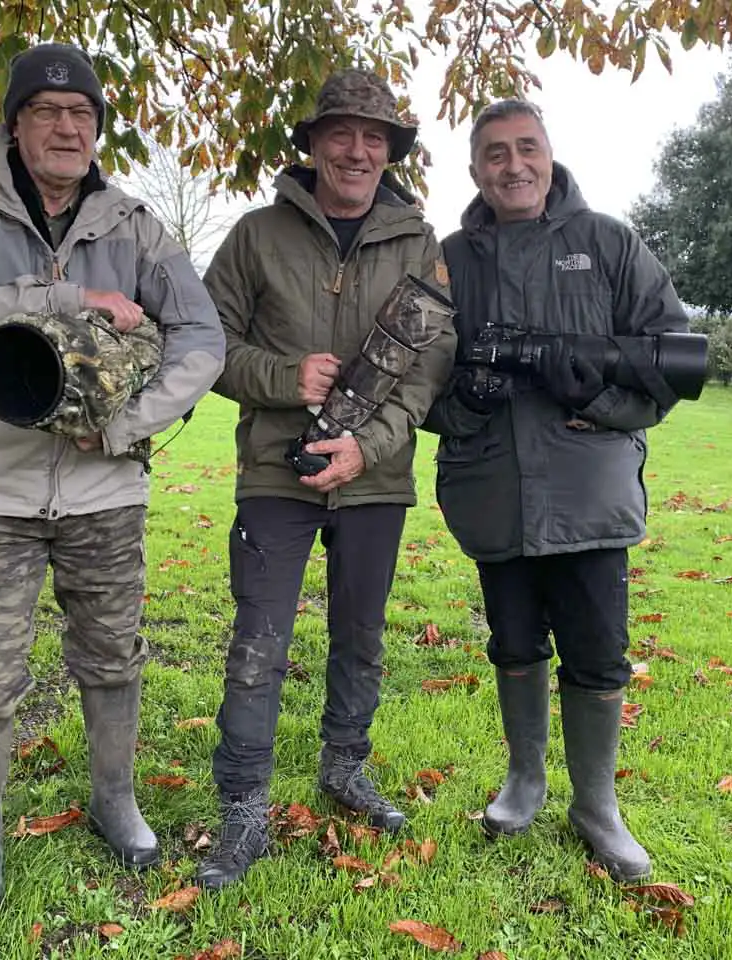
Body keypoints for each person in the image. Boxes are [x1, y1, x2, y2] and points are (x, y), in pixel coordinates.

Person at [0, 41, 225, 930]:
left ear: (97, 131)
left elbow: (201, 336)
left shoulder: (132, 223)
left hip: (104, 495)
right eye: (48, 113)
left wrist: (125, 427)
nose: (67, 127)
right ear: (15, 124)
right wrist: (65, 300)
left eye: (82, 115)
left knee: (112, 656)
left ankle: (115, 800)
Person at [195, 68, 457, 890]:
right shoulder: (254, 235)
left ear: (390, 151)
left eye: (373, 136)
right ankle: (242, 805)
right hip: (275, 475)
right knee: (257, 646)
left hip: (374, 480)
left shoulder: (419, 242)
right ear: (311, 144)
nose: (355, 149)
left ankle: (345, 767)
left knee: (362, 639)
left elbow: (426, 369)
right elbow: (205, 345)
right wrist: (282, 378)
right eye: (340, 132)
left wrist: (366, 447)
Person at [423, 98, 690, 882]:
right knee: (512, 641)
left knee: (599, 654)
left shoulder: (608, 242)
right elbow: (415, 377)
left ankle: (597, 806)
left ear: (549, 154)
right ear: (474, 170)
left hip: (589, 492)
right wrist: (461, 403)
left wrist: (599, 402)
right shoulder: (448, 260)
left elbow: (673, 356)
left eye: (526, 148)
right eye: (495, 154)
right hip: (492, 489)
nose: (514, 166)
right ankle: (525, 780)